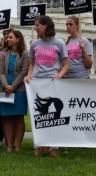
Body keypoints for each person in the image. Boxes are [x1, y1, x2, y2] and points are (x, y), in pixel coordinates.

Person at [24, 15, 69, 157]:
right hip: (37, 83)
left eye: (37, 25)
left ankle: (54, 147)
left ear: (45, 26)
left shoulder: (59, 43)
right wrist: (29, 75)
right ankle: (38, 146)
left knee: (54, 115)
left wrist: (60, 74)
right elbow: (32, 64)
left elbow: (65, 64)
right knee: (38, 116)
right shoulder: (34, 44)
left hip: (53, 83)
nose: (35, 28)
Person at [0, 30, 29, 152]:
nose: (8, 39)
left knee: (18, 118)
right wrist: (6, 85)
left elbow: (24, 72)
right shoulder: (4, 54)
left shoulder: (25, 54)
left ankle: (18, 145)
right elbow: (0, 71)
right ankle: (9, 145)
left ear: (18, 39)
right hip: (5, 89)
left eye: (11, 37)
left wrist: (13, 86)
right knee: (7, 118)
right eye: (7, 37)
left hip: (19, 89)